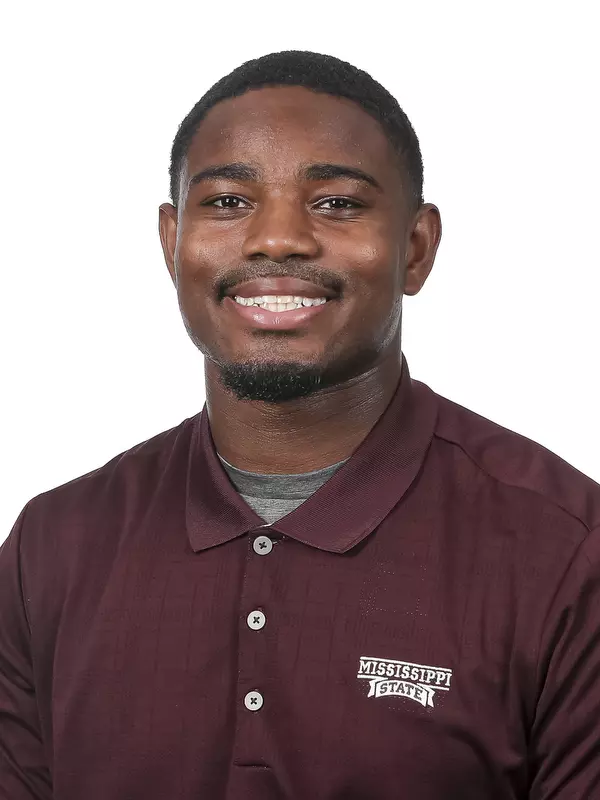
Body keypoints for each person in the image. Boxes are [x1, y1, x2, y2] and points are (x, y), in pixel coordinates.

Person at [1, 49, 599, 800]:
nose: (277, 239)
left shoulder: (567, 551)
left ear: (416, 249)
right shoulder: (51, 547)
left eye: (337, 203)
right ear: (171, 242)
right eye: (226, 202)